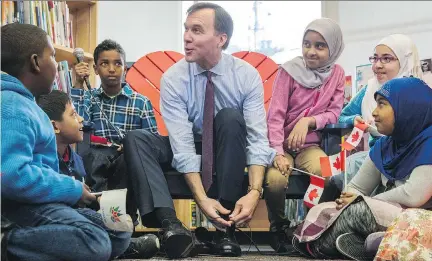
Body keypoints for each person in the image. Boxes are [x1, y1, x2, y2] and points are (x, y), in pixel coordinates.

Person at [123, 2, 277, 258]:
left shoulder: (246, 75)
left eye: (196, 30)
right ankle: (172, 226)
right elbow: (181, 143)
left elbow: (257, 139)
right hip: (189, 144)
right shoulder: (173, 78)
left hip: (225, 146)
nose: (186, 37)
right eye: (186, 29)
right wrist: (202, 199)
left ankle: (226, 227)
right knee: (136, 139)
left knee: (229, 117)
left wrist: (253, 192)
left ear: (221, 38)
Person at [0, 23, 130, 261]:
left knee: (119, 226)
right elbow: (10, 176)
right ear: (35, 63)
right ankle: (7, 243)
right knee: (95, 242)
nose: (56, 64)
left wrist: (70, 191)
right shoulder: (11, 105)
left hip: (41, 202)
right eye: (53, 56)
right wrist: (70, 189)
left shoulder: (28, 106)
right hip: (18, 208)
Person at [292, 77, 432, 260]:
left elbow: (413, 195)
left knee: (358, 211)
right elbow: (357, 188)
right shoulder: (385, 145)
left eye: (382, 105)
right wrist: (347, 200)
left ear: (407, 108)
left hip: (419, 220)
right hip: (387, 214)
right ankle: (371, 244)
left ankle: (322, 246)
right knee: (321, 210)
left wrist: (360, 200)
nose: (374, 112)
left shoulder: (428, 142)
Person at [36, 90, 160, 260]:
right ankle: (122, 247)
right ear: (55, 126)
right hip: (54, 217)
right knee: (105, 232)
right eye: (73, 115)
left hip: (75, 216)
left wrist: (94, 200)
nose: (80, 119)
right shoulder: (42, 159)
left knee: (117, 226)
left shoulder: (76, 160)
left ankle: (117, 244)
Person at [264, 18, 345, 253]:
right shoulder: (289, 71)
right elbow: (275, 117)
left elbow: (335, 111)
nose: (311, 51)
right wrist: (278, 153)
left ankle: (311, 228)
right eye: (306, 44)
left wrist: (309, 121)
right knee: (275, 180)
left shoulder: (337, 74)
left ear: (333, 47)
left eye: (320, 46)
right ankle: (278, 229)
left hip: (310, 146)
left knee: (328, 174)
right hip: (282, 146)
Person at [336, 34, 423, 189]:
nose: (377, 65)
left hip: (411, 162)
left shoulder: (419, 94)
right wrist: (354, 119)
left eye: (386, 59)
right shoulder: (369, 90)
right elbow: (341, 117)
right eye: (375, 58)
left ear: (405, 61)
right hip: (375, 159)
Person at [71, 39, 158, 192]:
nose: (112, 69)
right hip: (96, 160)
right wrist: (78, 84)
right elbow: (77, 126)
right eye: (104, 63)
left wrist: (133, 146)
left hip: (127, 160)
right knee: (94, 157)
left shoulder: (141, 102)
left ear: (125, 69)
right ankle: (95, 206)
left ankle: (122, 211)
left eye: (118, 64)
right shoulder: (89, 98)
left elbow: (152, 141)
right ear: (95, 69)